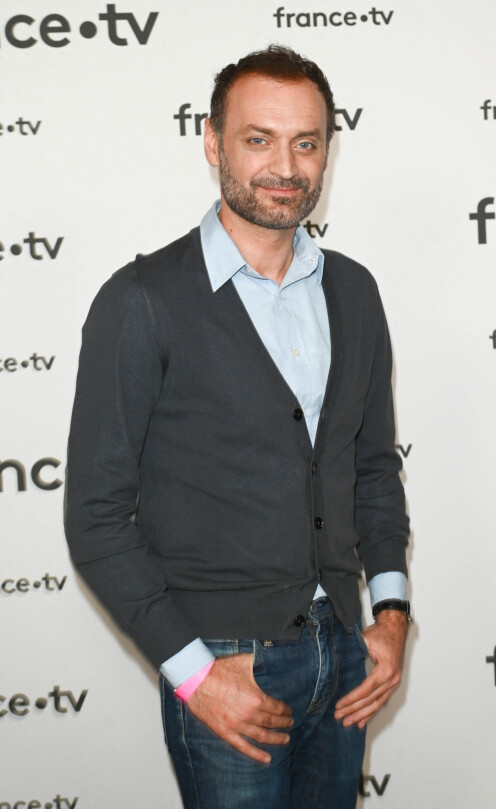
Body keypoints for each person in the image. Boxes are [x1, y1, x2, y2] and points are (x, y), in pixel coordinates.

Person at [64, 45, 411, 809]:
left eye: (306, 142)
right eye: (259, 139)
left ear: (327, 150)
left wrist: (389, 615)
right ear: (215, 143)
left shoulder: (355, 291)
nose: (285, 166)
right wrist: (194, 675)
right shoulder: (142, 300)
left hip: (344, 651)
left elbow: (375, 467)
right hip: (228, 666)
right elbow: (94, 518)